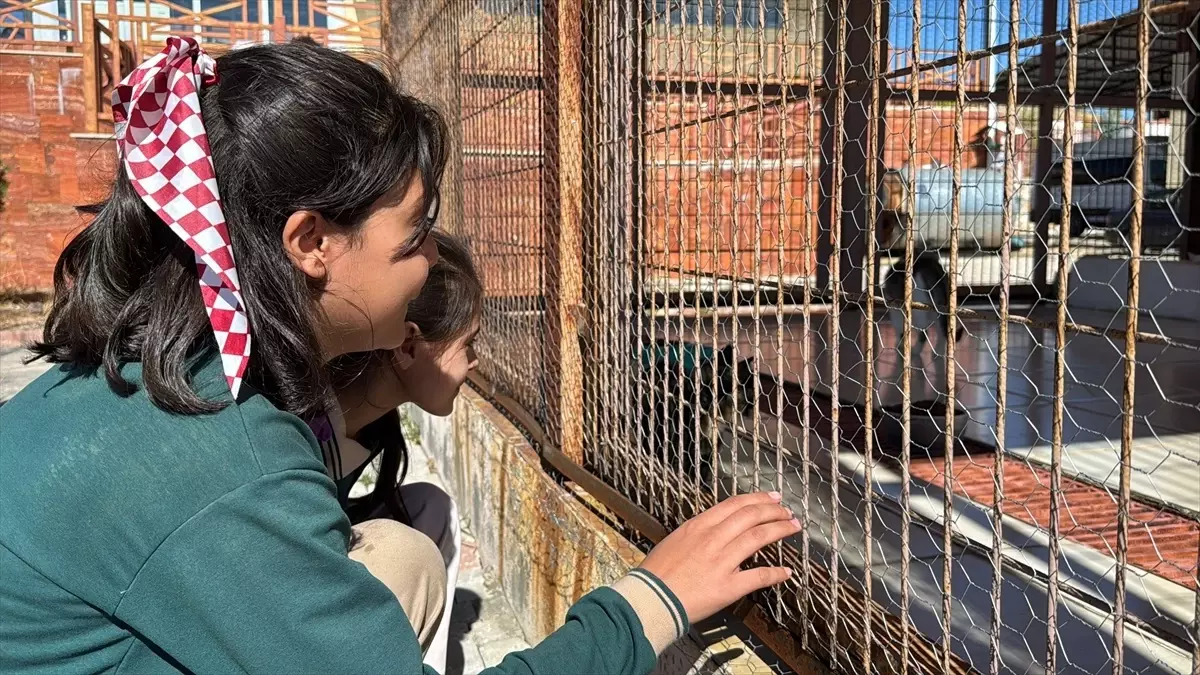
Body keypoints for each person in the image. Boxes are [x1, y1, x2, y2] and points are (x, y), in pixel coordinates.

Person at [0, 37, 800, 675]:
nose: (425, 265)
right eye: (414, 234)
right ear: (312, 243)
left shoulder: (162, 373)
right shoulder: (221, 451)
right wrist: (652, 599)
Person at [323, 228, 483, 672]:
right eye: (466, 343)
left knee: (431, 507)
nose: (475, 361)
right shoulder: (312, 421)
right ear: (409, 345)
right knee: (407, 551)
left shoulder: (371, 423)